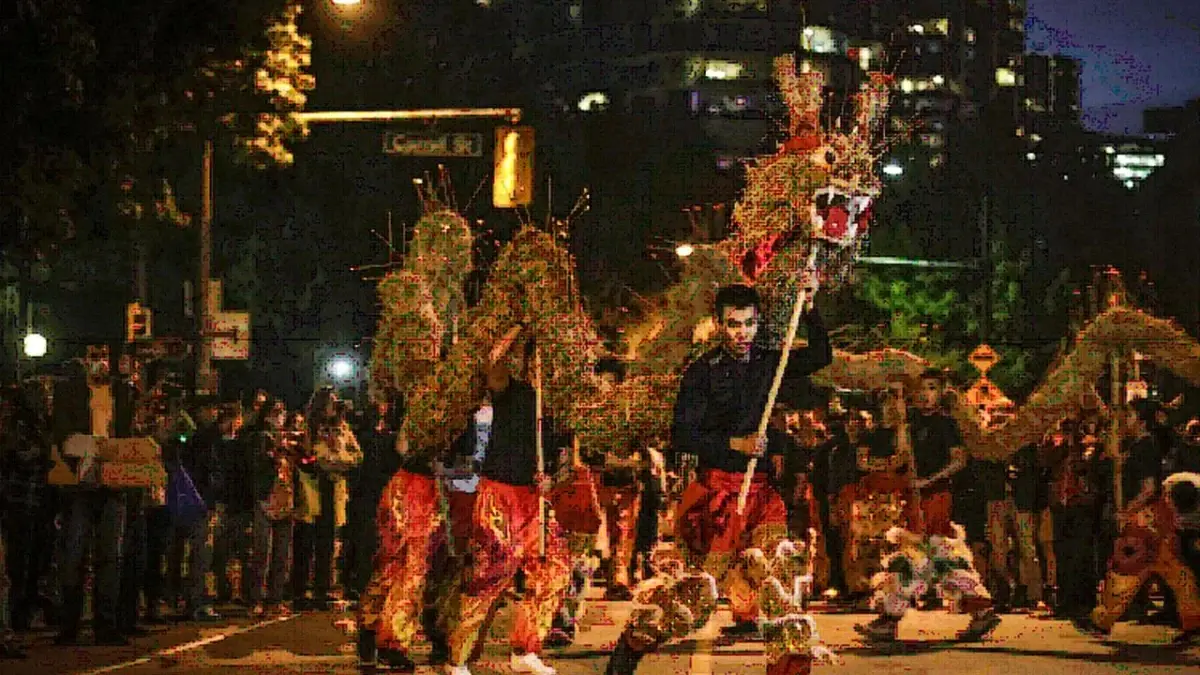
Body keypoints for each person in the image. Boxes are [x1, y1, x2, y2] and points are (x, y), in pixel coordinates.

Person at [672, 282, 831, 638]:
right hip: (718, 487)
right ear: (719, 324)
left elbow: (821, 356)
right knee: (710, 582)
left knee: (775, 559)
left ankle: (782, 630)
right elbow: (683, 435)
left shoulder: (767, 363)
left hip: (760, 487)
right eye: (733, 324)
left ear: (758, 323)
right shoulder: (701, 372)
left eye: (749, 323)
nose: (742, 333)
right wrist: (735, 444)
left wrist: (809, 308)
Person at [440, 332, 573, 675]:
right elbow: (492, 365)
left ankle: (525, 648)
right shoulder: (512, 391)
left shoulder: (560, 407)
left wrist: (553, 480)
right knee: (490, 574)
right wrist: (515, 329)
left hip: (535, 500)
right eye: (540, 359)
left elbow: (566, 459)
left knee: (554, 570)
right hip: (500, 493)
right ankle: (458, 658)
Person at [855, 371, 1001, 643]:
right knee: (924, 556)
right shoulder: (911, 422)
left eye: (931, 388)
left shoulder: (946, 424)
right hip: (916, 498)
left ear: (941, 392)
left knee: (927, 554)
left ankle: (890, 618)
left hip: (936, 497)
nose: (925, 394)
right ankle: (978, 610)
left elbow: (959, 460)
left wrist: (928, 481)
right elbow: (900, 453)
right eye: (921, 389)